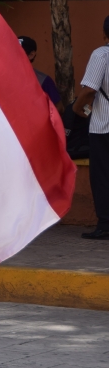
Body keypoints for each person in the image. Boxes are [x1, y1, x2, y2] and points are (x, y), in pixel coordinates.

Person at [73, 16, 109, 240]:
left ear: (105, 33)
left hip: (104, 127)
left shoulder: (102, 54)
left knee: (103, 177)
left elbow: (88, 91)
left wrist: (76, 110)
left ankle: (105, 224)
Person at [18, 36, 63, 114]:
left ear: (31, 55)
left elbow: (58, 107)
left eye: (18, 52)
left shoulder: (43, 80)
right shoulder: (1, 78)